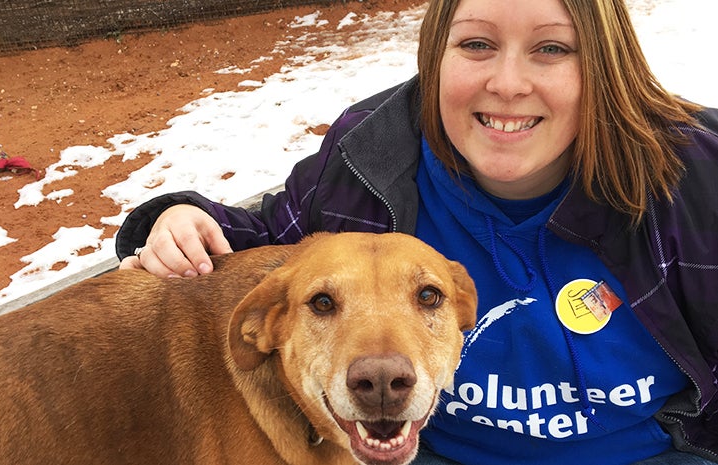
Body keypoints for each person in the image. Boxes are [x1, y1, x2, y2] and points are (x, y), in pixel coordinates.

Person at [115, 0, 718, 463]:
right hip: (423, 452)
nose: (508, 84)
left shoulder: (694, 179)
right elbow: (274, 234)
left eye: (553, 49)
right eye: (477, 43)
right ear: (435, 57)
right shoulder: (371, 159)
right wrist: (180, 221)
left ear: (608, 64)